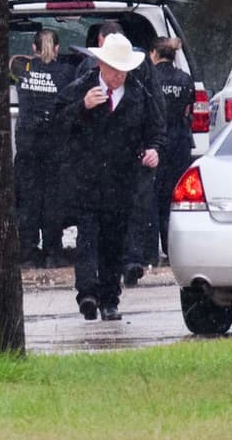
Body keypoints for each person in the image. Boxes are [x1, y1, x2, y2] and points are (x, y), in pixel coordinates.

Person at [54, 33, 164, 321]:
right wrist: (82, 108)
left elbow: (156, 129)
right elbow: (56, 125)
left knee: (114, 240)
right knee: (88, 239)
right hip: (87, 179)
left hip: (122, 180)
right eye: (114, 69)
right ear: (101, 65)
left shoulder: (139, 92)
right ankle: (87, 294)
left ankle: (110, 300)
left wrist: (153, 149)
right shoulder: (81, 88)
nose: (118, 76)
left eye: (123, 70)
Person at [75, 20, 165, 284]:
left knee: (133, 213)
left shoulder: (140, 83)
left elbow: (155, 115)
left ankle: (131, 263)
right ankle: (92, 287)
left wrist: (154, 147)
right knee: (94, 228)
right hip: (93, 168)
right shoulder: (86, 75)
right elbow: (67, 119)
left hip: (129, 162)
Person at [10, 28, 75, 268]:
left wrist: (33, 59)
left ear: (33, 49)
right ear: (57, 48)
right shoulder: (66, 73)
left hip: (28, 145)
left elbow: (13, 61)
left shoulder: (21, 70)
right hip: (55, 145)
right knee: (53, 201)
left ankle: (27, 252)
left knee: (28, 200)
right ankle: (53, 252)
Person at [149, 37, 194, 264]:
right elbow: (188, 111)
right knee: (175, 198)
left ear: (154, 54)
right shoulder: (185, 79)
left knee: (152, 196)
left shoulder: (149, 78)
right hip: (180, 144)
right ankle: (173, 249)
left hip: (157, 143)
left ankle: (150, 251)